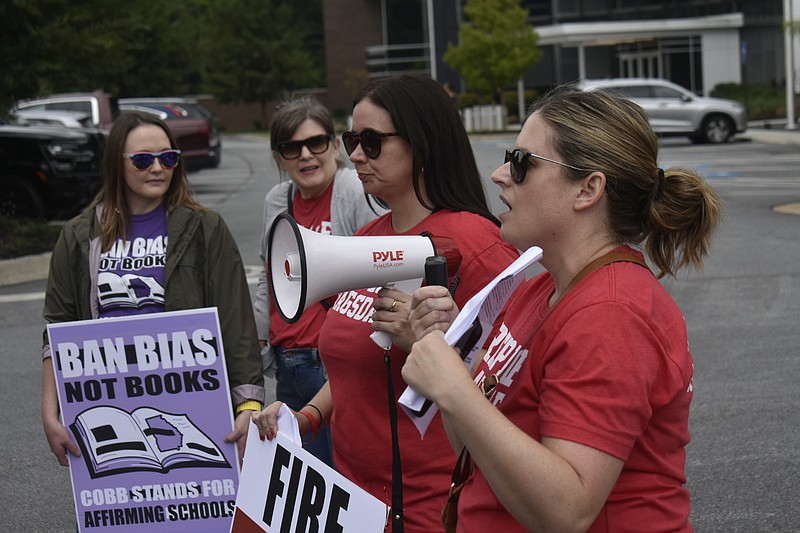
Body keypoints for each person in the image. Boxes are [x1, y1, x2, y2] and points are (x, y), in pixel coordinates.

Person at [403, 85, 722, 532]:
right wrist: (448, 356)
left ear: (588, 188)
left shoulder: (611, 314)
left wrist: (454, 388)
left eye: (521, 163)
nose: (499, 174)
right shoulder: (538, 290)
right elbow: (473, 448)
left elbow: (567, 511)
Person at [253, 74, 519, 531]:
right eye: (353, 139)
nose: (355, 155)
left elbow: (509, 388)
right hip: (355, 501)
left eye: (371, 141)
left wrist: (431, 343)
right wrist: (308, 416)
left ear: (422, 142)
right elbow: (361, 357)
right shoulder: (367, 242)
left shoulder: (481, 246)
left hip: (430, 507)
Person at [41, 110, 265, 467]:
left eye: (168, 158)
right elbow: (57, 330)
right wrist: (50, 413)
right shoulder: (80, 235)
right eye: (143, 160)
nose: (157, 168)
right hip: (108, 406)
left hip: (195, 405)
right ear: (117, 164)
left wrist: (248, 405)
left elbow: (235, 324)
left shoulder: (205, 228)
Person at [253, 95, 386, 467]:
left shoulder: (355, 192)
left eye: (316, 143)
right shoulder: (278, 199)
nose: (306, 155)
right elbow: (268, 274)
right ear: (279, 157)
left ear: (334, 146)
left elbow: (378, 273)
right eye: (291, 148)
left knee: (339, 472)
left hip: (329, 365)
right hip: (286, 362)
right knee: (301, 476)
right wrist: (260, 338)